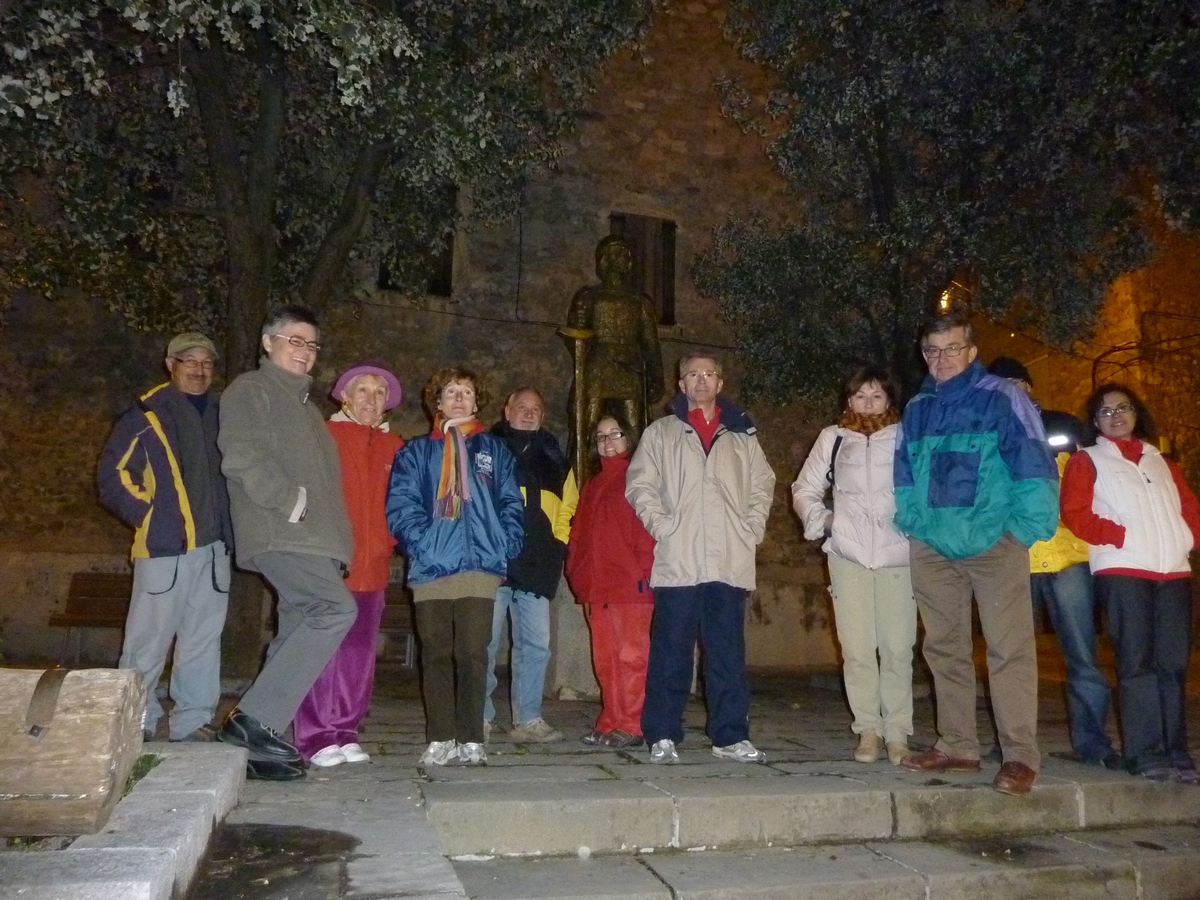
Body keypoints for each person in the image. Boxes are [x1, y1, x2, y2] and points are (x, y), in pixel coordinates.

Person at [895, 310, 1058, 796]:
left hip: (994, 543)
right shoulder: (917, 407)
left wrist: (1023, 531)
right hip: (934, 546)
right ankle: (958, 745)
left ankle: (1020, 755)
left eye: (952, 348)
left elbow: (1034, 462)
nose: (941, 359)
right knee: (943, 648)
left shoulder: (1003, 397)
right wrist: (916, 527)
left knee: (1009, 650)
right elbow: (903, 474)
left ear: (971, 351)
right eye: (932, 350)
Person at [216, 305, 357, 781]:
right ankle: (250, 721)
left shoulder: (308, 411)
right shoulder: (251, 390)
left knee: (298, 625)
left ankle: (260, 745)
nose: (305, 351)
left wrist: (339, 545)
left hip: (314, 540)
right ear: (267, 342)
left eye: (312, 344)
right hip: (281, 529)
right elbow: (240, 455)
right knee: (334, 610)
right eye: (295, 341)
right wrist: (287, 501)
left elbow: (327, 488)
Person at [626, 352, 776, 764]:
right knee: (670, 652)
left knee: (727, 654)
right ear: (681, 383)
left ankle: (730, 736)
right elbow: (640, 484)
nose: (701, 381)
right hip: (679, 559)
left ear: (720, 383)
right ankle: (662, 733)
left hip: (728, 559)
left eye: (709, 374)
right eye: (693, 374)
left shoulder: (742, 433)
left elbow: (762, 484)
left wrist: (751, 528)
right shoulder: (661, 433)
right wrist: (663, 525)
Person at [97, 332, 232, 743]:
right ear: (170, 364)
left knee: (203, 640)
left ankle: (192, 720)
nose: (199, 370)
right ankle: (135, 720)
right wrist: (151, 516)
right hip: (163, 550)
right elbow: (113, 476)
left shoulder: (224, 412)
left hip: (214, 550)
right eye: (190, 361)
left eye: (206, 362)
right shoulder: (146, 413)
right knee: (146, 642)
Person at [1061, 383, 1200, 784]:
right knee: (1136, 663)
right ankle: (1145, 753)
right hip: (1123, 570)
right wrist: (1120, 536)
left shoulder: (1161, 461)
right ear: (1095, 421)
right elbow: (1075, 512)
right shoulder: (1087, 460)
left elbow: (1188, 507)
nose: (1116, 416)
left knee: (1173, 663)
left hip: (1173, 571)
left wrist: (1187, 539)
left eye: (1123, 408)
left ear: (1137, 413)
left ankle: (1176, 751)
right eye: (1106, 411)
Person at [387, 367, 524, 767]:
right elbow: (402, 504)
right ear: (438, 401)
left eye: (466, 392)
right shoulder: (416, 452)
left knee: (472, 652)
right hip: (432, 565)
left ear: (477, 401)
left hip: (480, 564)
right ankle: (441, 736)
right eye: (451, 392)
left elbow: (511, 502)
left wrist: (506, 542)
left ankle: (471, 736)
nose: (459, 398)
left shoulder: (494, 450)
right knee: (435, 652)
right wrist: (422, 543)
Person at [988, 357, 1119, 769]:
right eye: (1000, 384)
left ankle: (1093, 743)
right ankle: (1012, 745)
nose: (1010, 389)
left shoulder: (1064, 424)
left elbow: (1091, 482)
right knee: (1010, 656)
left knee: (1082, 654)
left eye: (1016, 381)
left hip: (1066, 555)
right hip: (1014, 557)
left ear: (1029, 386)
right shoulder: (985, 432)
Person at [792, 365, 915, 765]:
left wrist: (914, 526)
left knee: (898, 649)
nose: (868, 403)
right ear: (849, 400)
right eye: (860, 395)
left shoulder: (906, 437)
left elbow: (926, 487)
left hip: (899, 557)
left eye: (876, 395)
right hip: (848, 556)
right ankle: (868, 730)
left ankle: (897, 732)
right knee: (858, 649)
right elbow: (805, 488)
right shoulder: (833, 438)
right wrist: (827, 521)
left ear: (889, 399)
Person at [292, 363, 405, 768]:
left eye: (379, 392)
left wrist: (391, 541)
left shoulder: (395, 447)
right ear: (345, 396)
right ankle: (315, 736)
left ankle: (346, 730)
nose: (371, 399)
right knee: (323, 650)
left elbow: (402, 503)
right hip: (329, 562)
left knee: (359, 652)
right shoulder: (324, 435)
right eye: (363, 390)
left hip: (372, 564)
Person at [484, 387, 578, 743]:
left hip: (538, 564)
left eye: (535, 409)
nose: (528, 413)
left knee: (536, 646)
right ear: (507, 410)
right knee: (484, 644)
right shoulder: (487, 450)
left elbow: (569, 505)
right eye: (521, 407)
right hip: (495, 563)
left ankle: (528, 719)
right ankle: (479, 717)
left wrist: (558, 542)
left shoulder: (556, 457)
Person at [565, 415, 656, 749]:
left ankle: (632, 724)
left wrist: (645, 574)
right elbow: (579, 535)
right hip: (598, 586)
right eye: (601, 436)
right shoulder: (593, 483)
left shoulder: (640, 477)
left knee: (632, 657)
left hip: (630, 585)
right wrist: (577, 573)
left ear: (629, 438)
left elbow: (648, 530)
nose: (608, 441)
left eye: (615, 434)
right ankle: (611, 719)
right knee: (606, 659)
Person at [563, 234, 665, 478]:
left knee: (634, 431)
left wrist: (656, 376)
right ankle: (583, 481)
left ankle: (637, 482)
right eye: (614, 252)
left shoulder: (640, 302)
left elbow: (650, 343)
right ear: (603, 259)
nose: (620, 258)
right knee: (586, 428)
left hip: (630, 369)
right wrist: (579, 330)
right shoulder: (589, 297)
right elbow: (575, 338)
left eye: (624, 254)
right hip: (597, 368)